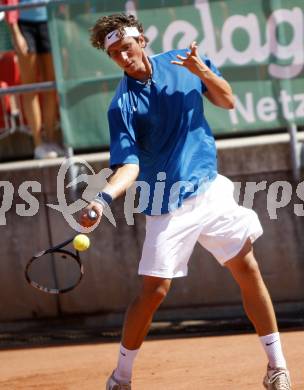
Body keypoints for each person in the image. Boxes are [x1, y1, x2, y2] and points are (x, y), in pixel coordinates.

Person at [80, 13, 291, 390]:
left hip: (209, 189)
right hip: (166, 204)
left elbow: (227, 101)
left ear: (141, 41)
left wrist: (202, 71)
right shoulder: (122, 105)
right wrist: (101, 198)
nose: (123, 58)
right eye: (115, 54)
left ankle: (277, 368)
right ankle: (121, 377)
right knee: (154, 292)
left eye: (126, 48)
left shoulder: (183, 62)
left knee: (247, 268)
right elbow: (128, 165)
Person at [4, 0, 63, 159]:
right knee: (30, 86)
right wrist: (15, 31)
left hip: (50, 20)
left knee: (50, 85)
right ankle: (38, 144)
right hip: (23, 24)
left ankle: (51, 140)